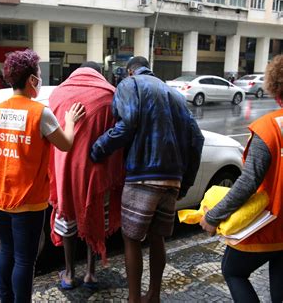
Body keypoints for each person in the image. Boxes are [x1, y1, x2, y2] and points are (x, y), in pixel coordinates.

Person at [90, 56, 204, 303]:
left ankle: (133, 299)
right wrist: (185, 182)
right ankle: (153, 296)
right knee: (157, 238)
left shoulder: (130, 85)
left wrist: (98, 148)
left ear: (130, 71)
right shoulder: (174, 95)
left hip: (142, 176)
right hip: (172, 180)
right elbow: (197, 139)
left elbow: (126, 124)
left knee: (131, 239)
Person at [0, 49, 85, 303]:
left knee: (6, 250)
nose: (40, 80)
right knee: (25, 258)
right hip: (29, 200)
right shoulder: (39, 113)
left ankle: (6, 300)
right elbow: (66, 144)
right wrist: (70, 120)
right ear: (32, 80)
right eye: (38, 75)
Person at [200, 55, 283, 303]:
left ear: (275, 86)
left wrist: (213, 216)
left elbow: (247, 183)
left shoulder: (270, 128)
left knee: (233, 270)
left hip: (270, 222)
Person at [49, 61, 124, 290]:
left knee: (67, 220)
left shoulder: (57, 95)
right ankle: (91, 273)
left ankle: (70, 274)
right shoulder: (110, 96)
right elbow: (119, 137)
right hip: (97, 173)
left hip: (65, 172)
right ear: (99, 75)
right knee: (96, 218)